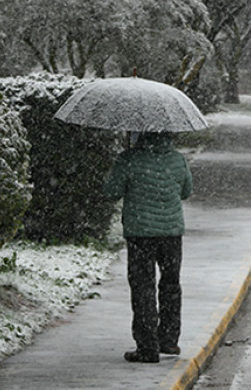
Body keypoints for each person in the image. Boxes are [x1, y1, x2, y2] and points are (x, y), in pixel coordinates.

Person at [104, 131, 193, 364]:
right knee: (171, 284)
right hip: (171, 234)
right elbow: (186, 192)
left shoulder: (129, 159)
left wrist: (122, 166)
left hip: (140, 234)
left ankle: (147, 347)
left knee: (143, 287)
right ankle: (169, 340)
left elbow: (111, 192)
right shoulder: (178, 159)